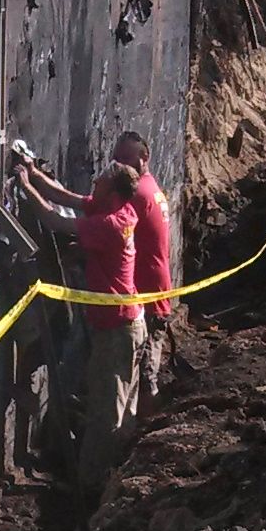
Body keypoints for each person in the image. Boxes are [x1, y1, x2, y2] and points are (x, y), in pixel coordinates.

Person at [11, 147, 141, 510]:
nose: (93, 186)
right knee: (105, 403)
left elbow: (55, 221)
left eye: (100, 183)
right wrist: (35, 175)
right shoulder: (114, 208)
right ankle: (98, 478)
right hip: (113, 326)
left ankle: (92, 492)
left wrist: (23, 184)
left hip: (118, 330)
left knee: (105, 411)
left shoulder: (112, 224)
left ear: (112, 193)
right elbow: (66, 197)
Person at [112, 129, 174, 407]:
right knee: (141, 372)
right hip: (154, 292)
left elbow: (108, 223)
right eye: (116, 158)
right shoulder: (152, 187)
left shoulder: (139, 193)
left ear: (144, 157)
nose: (119, 165)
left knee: (143, 375)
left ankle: (143, 438)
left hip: (148, 297)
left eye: (126, 158)